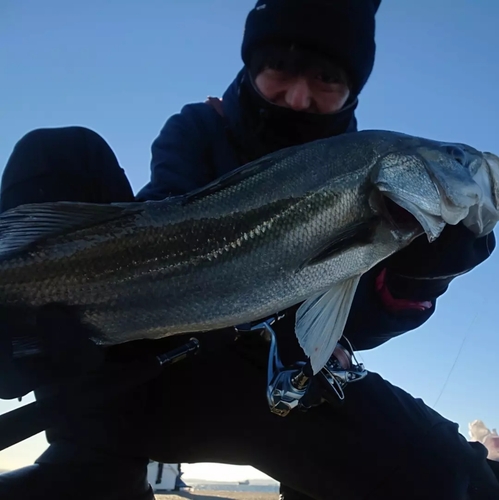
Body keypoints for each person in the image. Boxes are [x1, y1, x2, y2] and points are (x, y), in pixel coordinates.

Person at [0, 1, 498, 499]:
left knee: (458, 479)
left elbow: (352, 327)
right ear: (252, 66)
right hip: (137, 372)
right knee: (61, 153)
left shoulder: (381, 193)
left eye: (327, 78)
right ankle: (85, 448)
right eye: (280, 67)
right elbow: (158, 220)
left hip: (280, 386)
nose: (299, 95)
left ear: (352, 91)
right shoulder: (199, 127)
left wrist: (421, 276)